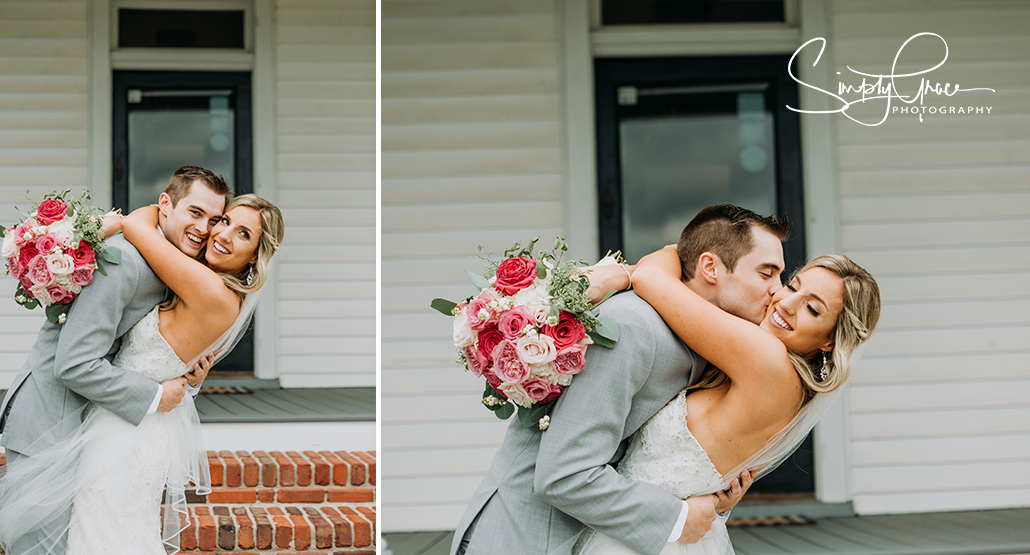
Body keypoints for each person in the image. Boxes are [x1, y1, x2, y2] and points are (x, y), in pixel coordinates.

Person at [452, 205, 792, 555]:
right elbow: (564, 474)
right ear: (710, 267)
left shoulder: (708, 344)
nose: (777, 292)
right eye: (767, 273)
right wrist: (677, 518)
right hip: (525, 539)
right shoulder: (633, 327)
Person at [574, 234, 880, 554]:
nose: (785, 301)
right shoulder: (790, 384)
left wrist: (679, 251)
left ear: (830, 341)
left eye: (812, 309)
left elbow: (651, 278)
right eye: (793, 285)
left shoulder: (767, 359)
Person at [0, 165, 231, 555]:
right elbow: (74, 363)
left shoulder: (167, 264)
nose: (204, 228)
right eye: (195, 212)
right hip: (50, 420)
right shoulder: (125, 261)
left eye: (214, 219)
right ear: (165, 205)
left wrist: (184, 372)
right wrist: (158, 396)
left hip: (93, 430)